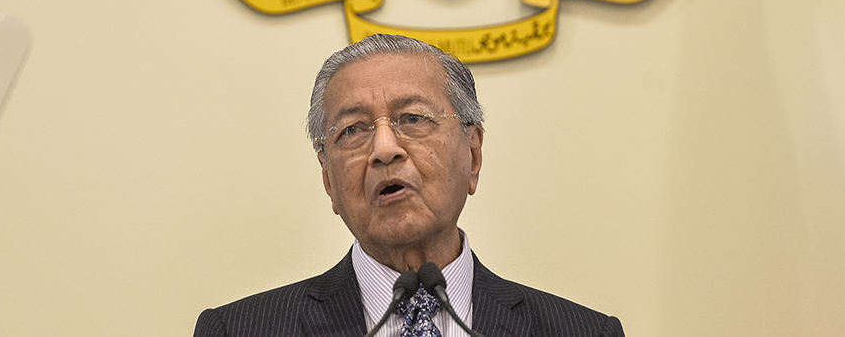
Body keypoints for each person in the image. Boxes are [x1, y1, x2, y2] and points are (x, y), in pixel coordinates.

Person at [194, 34, 625, 337]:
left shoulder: (585, 331)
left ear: (472, 154)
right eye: (352, 130)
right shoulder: (237, 330)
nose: (384, 149)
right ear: (328, 178)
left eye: (413, 119)